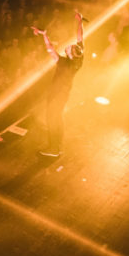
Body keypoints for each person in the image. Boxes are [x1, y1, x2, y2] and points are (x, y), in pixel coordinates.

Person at [32, 10, 84, 158]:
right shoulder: (79, 58)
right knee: (57, 118)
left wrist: (44, 36)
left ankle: (53, 148)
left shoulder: (64, 64)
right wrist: (79, 21)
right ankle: (57, 146)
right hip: (64, 93)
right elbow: (80, 36)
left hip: (57, 94)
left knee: (52, 119)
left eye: (68, 48)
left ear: (69, 54)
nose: (67, 47)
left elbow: (50, 50)